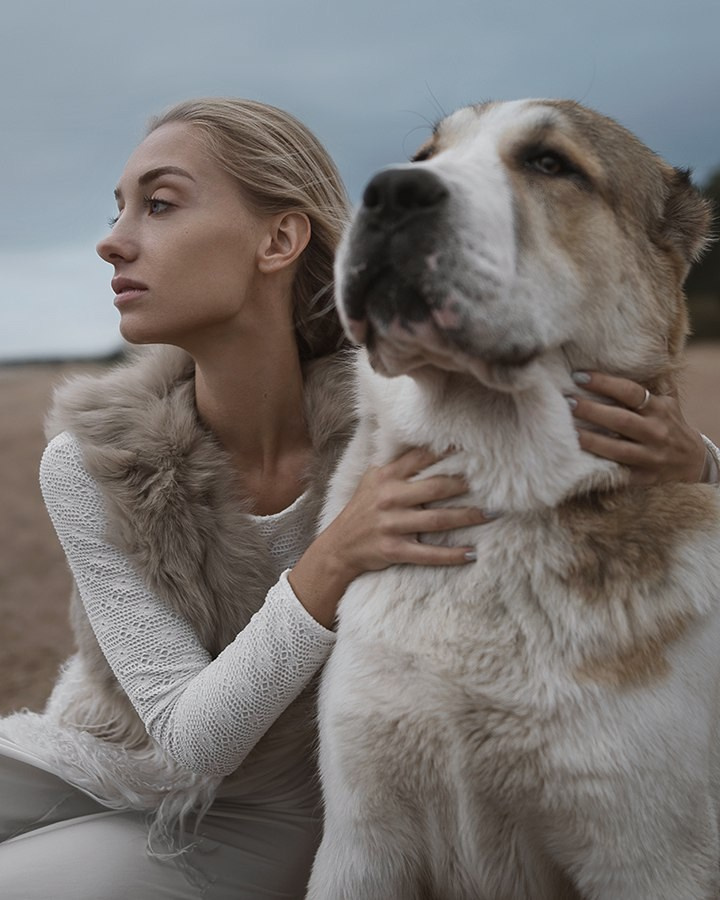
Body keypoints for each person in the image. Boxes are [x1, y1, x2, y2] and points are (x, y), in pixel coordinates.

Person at [0, 97, 717, 900]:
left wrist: (695, 463)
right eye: (119, 207)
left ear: (279, 239)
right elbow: (184, 735)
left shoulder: (403, 412)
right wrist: (334, 553)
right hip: (115, 753)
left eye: (159, 204)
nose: (112, 240)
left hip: (258, 812)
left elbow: (552, 439)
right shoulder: (94, 459)